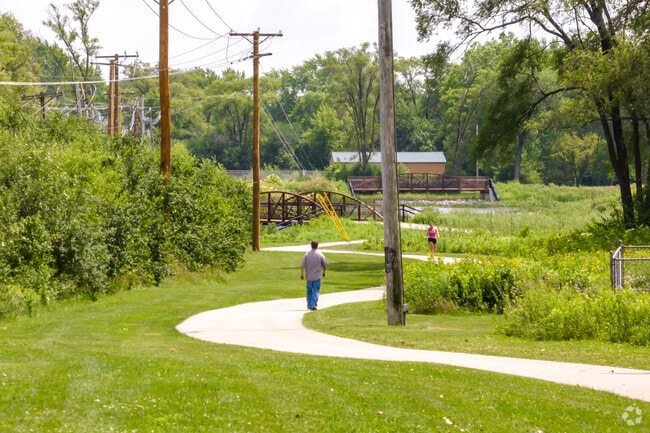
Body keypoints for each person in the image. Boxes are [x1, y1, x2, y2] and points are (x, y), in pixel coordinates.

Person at [300, 240, 328, 311]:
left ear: (311, 245)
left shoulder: (307, 255)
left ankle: (309, 305)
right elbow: (324, 265)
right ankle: (312, 305)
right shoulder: (320, 255)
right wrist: (324, 272)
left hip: (309, 276)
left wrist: (302, 274)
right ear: (317, 246)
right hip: (317, 276)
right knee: (315, 290)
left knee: (309, 291)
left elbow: (302, 265)